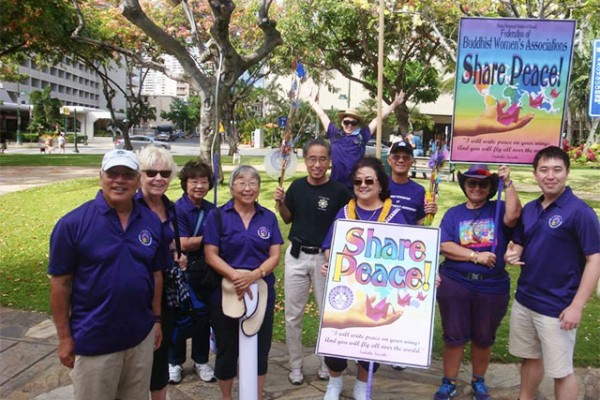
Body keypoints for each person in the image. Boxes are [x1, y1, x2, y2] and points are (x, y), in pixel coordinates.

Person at [48, 149, 169, 400]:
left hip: (139, 337)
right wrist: (64, 338)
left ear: (137, 181)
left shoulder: (151, 222)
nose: (120, 180)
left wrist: (156, 320)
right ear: (100, 176)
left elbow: (156, 274)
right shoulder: (73, 224)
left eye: (127, 175)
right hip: (94, 340)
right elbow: (60, 284)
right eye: (113, 173)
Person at [504, 146, 600, 400]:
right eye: (544, 170)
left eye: (557, 170)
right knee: (530, 357)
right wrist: (512, 254)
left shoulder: (580, 213)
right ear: (535, 174)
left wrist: (577, 306)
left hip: (558, 307)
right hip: (525, 300)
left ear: (567, 173)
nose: (550, 175)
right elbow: (520, 244)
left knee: (561, 371)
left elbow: (594, 260)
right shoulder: (532, 209)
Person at [320, 157, 407, 400]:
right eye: (358, 181)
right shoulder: (345, 212)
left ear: (380, 185)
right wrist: (333, 263)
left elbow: (407, 256)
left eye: (369, 180)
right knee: (337, 339)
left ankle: (361, 384)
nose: (363, 185)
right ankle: (334, 383)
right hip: (345, 291)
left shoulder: (395, 216)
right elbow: (330, 246)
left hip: (378, 293)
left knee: (371, 341)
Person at [434, 164, 521, 400]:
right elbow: (443, 244)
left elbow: (514, 217)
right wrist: (476, 256)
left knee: (484, 336)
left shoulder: (498, 209)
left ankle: (478, 381)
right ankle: (448, 381)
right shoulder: (453, 214)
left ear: (492, 187)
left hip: (491, 286)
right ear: (464, 186)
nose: (477, 187)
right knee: (454, 334)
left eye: (483, 184)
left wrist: (509, 183)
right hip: (456, 282)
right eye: (471, 183)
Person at [273, 137, 352, 385]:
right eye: (312, 159)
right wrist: (281, 204)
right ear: (305, 161)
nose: (317, 164)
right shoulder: (296, 187)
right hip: (296, 256)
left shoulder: (339, 192)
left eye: (322, 159)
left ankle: (325, 364)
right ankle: (295, 365)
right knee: (292, 316)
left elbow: (350, 221)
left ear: (329, 161)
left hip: (325, 259)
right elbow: (287, 219)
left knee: (326, 316)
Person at [204, 165, 283, 400]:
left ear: (259, 188)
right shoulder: (217, 216)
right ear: (231, 187)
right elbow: (210, 254)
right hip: (227, 290)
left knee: (260, 349)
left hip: (261, 290)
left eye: (253, 183)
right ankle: (227, 397)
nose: (247, 188)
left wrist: (255, 274)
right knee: (227, 349)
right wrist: (236, 276)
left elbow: (275, 255)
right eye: (241, 182)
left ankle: (255, 396)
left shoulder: (267, 217)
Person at [135, 146, 186, 400]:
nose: (158, 178)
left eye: (164, 173)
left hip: (164, 293)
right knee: (132, 358)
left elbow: (168, 243)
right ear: (140, 175)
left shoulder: (170, 208)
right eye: (151, 172)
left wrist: (177, 254)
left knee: (160, 350)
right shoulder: (129, 207)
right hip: (134, 292)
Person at [169, 159, 217, 384]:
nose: (199, 186)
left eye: (204, 181)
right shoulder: (177, 209)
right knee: (180, 318)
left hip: (206, 272)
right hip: (183, 272)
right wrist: (210, 239)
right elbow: (182, 243)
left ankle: (201, 360)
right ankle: (174, 362)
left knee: (203, 318)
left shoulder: (212, 210)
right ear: (185, 183)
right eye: (194, 181)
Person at [306, 90, 404, 189]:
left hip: (355, 186)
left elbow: (378, 119)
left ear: (357, 124)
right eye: (346, 122)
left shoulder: (362, 135)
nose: (349, 125)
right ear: (342, 123)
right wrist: (311, 101)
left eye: (353, 123)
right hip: (335, 185)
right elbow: (322, 115)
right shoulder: (334, 134)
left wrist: (394, 104)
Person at [387, 140, 437, 226]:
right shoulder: (379, 186)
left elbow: (421, 225)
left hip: (406, 239)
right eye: (396, 157)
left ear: (412, 162)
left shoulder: (419, 191)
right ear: (389, 160)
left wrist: (430, 215)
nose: (401, 160)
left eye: (406, 157)